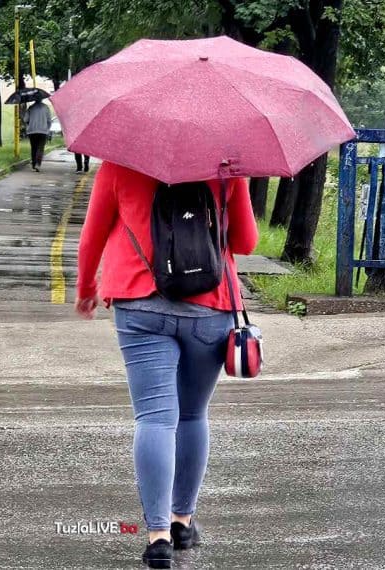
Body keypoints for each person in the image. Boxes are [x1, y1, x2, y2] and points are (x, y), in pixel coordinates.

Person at [75, 161, 258, 569]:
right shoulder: (228, 166)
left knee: (155, 418)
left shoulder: (119, 165)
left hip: (139, 304)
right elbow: (245, 242)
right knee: (192, 415)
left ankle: (157, 536)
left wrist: (87, 287)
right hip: (210, 306)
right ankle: (182, 522)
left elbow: (92, 235)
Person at [23, 99, 52, 172]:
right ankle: (38, 164)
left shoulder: (31, 108)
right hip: (43, 131)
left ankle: (33, 164)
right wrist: (47, 129)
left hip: (32, 131)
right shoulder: (46, 108)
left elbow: (25, 120)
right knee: (40, 148)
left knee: (34, 148)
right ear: (42, 99)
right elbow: (49, 120)